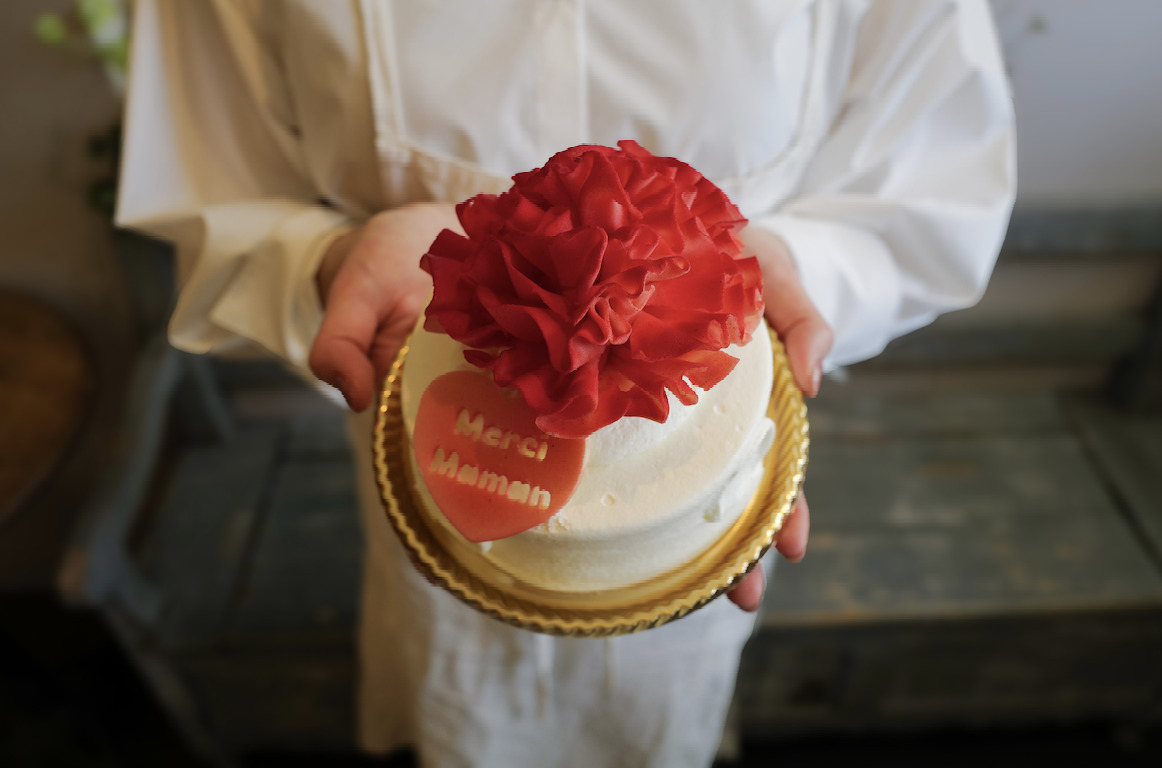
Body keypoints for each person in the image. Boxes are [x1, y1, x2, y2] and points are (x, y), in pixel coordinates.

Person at [116, 1, 1015, 765]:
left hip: (698, 447)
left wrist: (777, 273)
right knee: (452, 705)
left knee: (660, 718)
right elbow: (210, 184)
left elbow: (933, 177)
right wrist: (331, 261)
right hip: (436, 441)